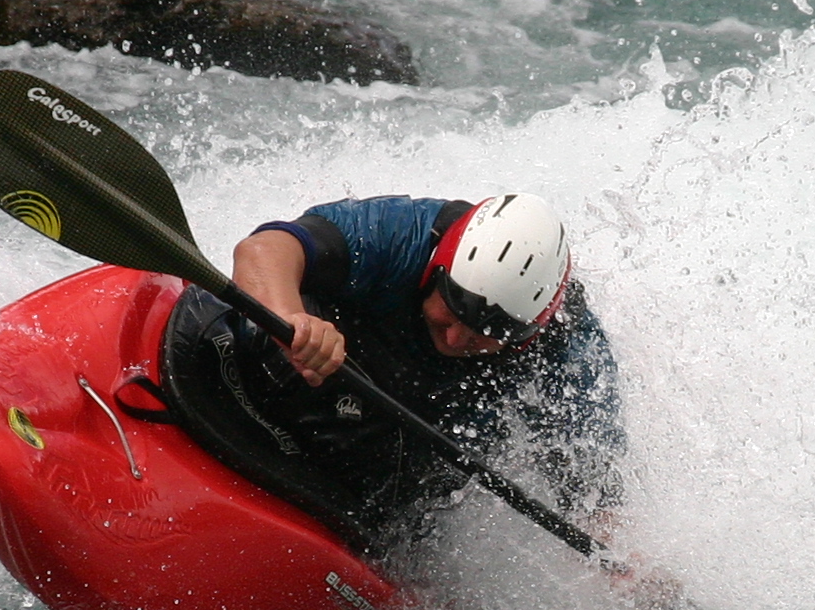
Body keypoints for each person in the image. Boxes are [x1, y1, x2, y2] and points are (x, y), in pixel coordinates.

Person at [155, 192, 629, 558]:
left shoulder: (567, 349)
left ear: (526, 333)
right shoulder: (404, 233)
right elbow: (263, 250)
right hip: (299, 378)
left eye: (487, 334)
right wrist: (292, 322)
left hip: (398, 463)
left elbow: (593, 481)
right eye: (453, 310)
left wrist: (621, 561)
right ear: (438, 270)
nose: (457, 338)